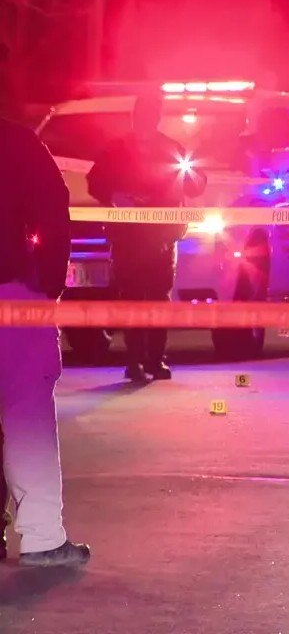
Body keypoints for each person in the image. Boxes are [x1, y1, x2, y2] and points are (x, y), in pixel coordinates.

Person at [0, 116, 90, 566]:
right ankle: (41, 537)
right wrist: (47, 285)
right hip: (12, 294)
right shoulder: (16, 141)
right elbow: (53, 209)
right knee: (27, 414)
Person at [88, 93, 206, 382]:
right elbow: (95, 182)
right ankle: (134, 360)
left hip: (161, 238)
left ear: (156, 118)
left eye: (149, 115)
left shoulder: (171, 148)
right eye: (140, 115)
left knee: (158, 300)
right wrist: (115, 195)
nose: (144, 120)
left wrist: (193, 175)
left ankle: (155, 359)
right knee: (131, 299)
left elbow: (194, 185)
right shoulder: (116, 150)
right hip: (128, 238)